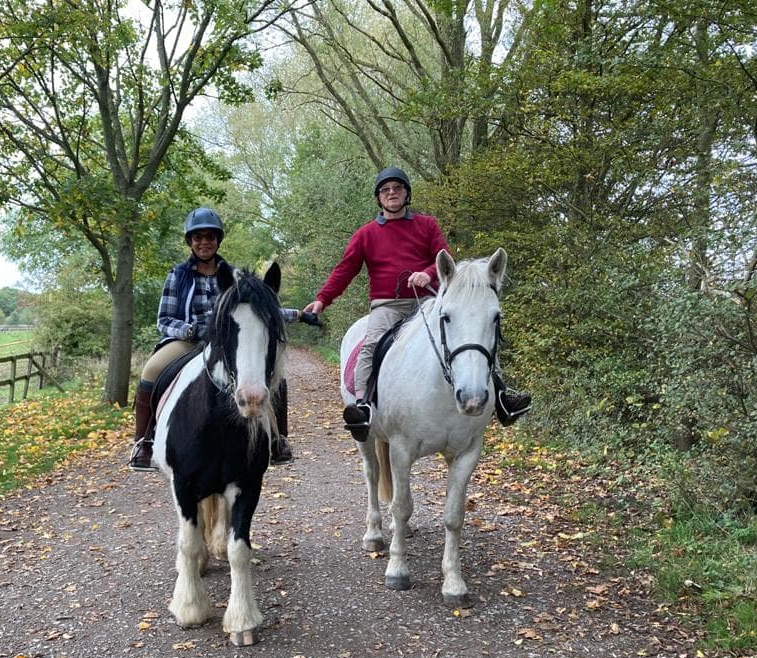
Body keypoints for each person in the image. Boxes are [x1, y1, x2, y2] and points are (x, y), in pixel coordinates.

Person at [303, 167, 531, 442]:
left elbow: (445, 260)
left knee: (472, 335)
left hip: (426, 300)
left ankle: (502, 397)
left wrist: (427, 273)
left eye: (397, 188)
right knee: (371, 344)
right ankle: (363, 405)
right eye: (385, 190)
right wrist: (322, 299)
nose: (392, 193)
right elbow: (345, 270)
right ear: (379, 197)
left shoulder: (427, 225)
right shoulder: (365, 234)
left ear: (406, 193)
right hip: (387, 306)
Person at [129, 207, 317, 471]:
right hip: (189, 341)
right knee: (152, 370)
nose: (204, 242)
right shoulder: (177, 275)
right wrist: (189, 331)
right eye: (198, 237)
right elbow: (164, 320)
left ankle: (278, 439)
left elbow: (257, 313)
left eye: (210, 237)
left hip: (225, 341)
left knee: (277, 378)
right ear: (190, 241)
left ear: (218, 240)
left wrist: (298, 314)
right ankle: (144, 441)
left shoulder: (234, 277)